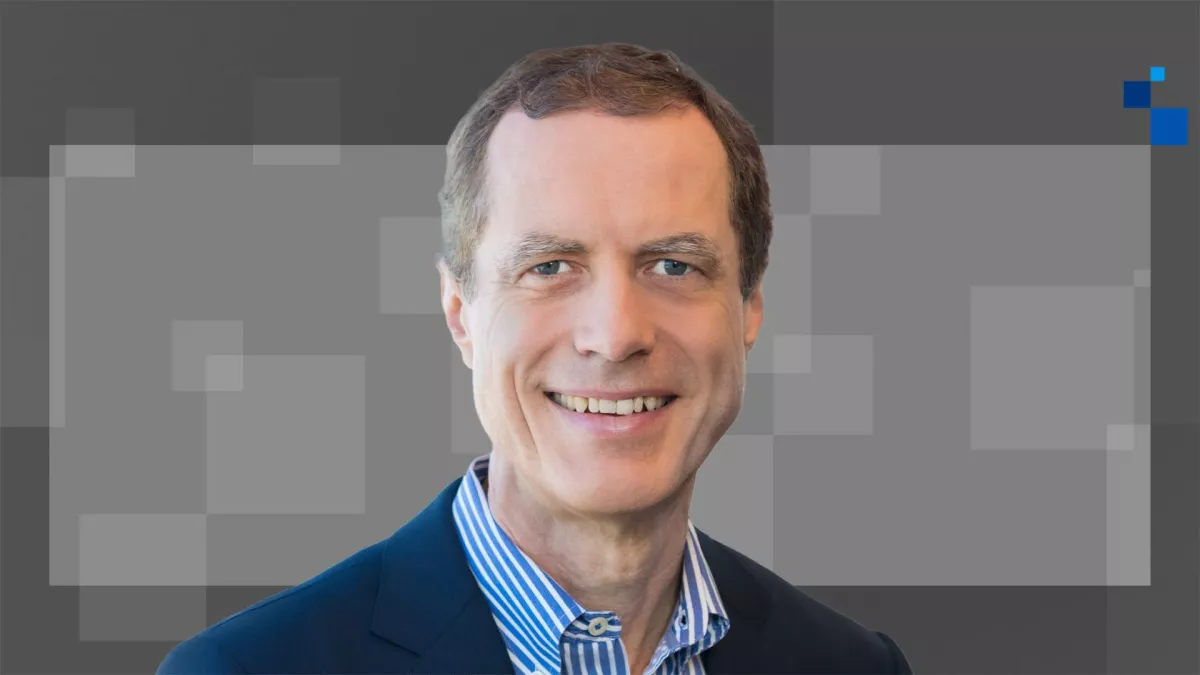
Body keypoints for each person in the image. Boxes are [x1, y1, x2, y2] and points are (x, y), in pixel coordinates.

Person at [158, 42, 913, 675]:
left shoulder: (850, 667)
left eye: (673, 265)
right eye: (549, 266)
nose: (614, 335)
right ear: (461, 312)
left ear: (748, 307)